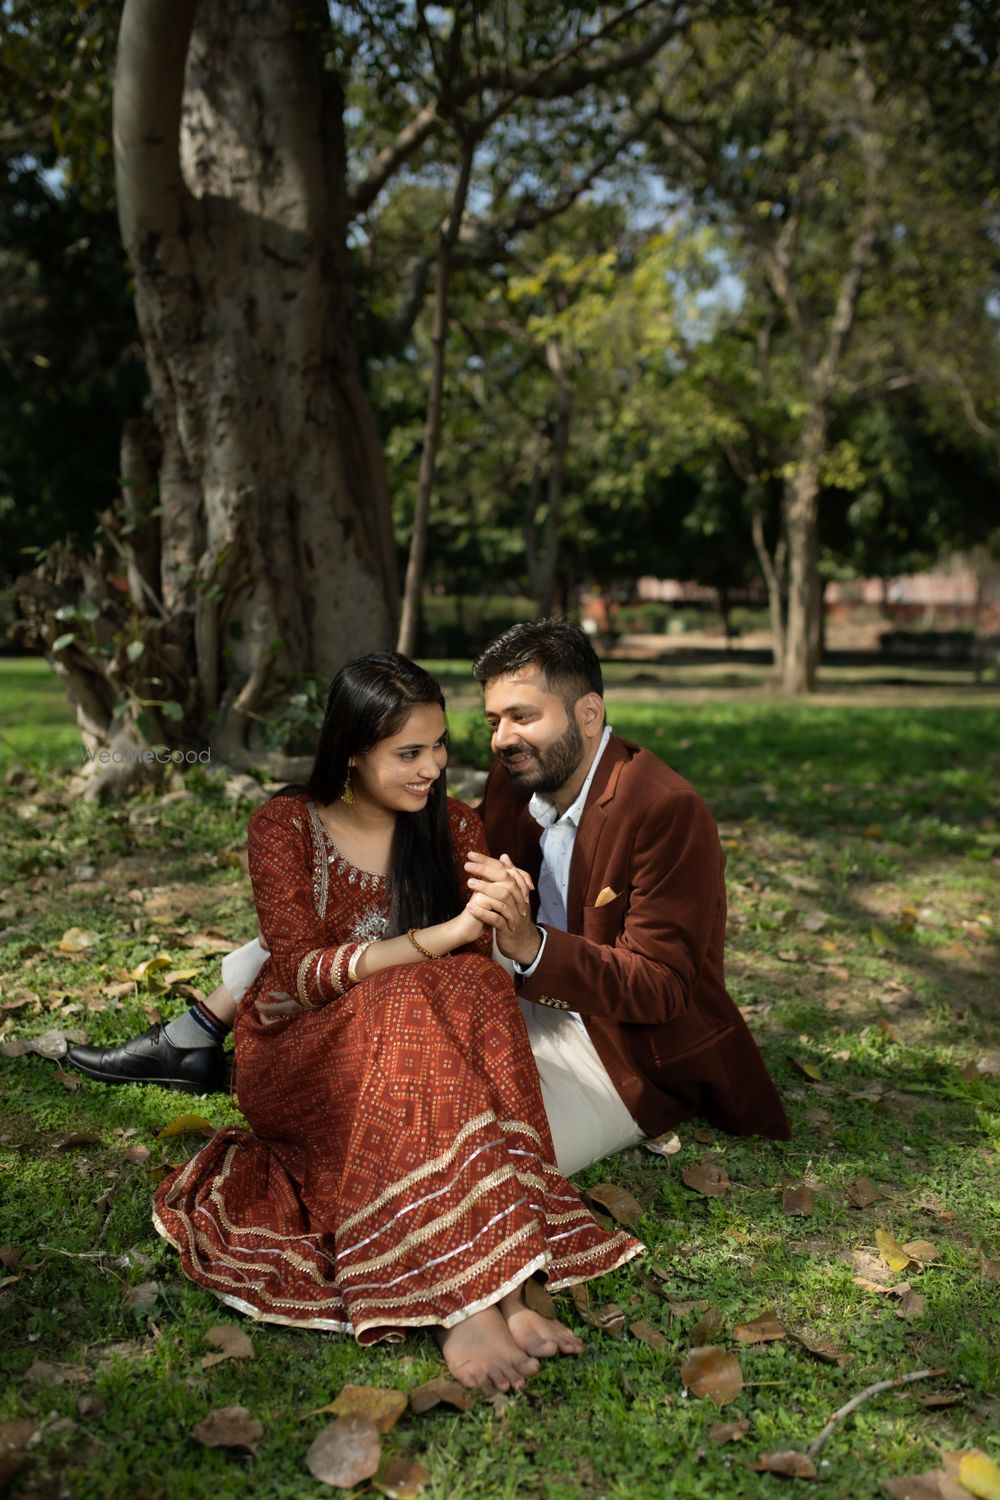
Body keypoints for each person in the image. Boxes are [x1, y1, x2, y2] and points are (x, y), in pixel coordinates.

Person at [69, 621, 788, 1158]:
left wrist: (530, 945)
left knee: (461, 1148)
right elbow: (443, 892)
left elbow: (661, 988)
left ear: (589, 715)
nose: (501, 740)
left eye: (524, 717)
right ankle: (204, 1034)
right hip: (513, 990)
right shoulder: (520, 773)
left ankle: (211, 1048)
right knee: (356, 915)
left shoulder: (662, 809)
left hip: (619, 1049)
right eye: (493, 720)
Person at [144, 653, 642, 1392]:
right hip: (297, 1052)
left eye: (440, 746)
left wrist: (503, 914)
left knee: (470, 986)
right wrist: (431, 940)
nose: (432, 768)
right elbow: (303, 973)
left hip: (418, 1049)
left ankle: (510, 1286)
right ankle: (465, 1305)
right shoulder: (286, 826)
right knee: (408, 995)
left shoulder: (451, 825)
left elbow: (471, 970)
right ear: (352, 755)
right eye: (408, 754)